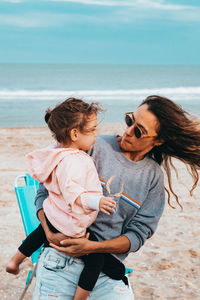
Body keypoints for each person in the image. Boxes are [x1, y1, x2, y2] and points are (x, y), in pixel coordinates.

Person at [26, 95, 200, 299]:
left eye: (138, 131)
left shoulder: (152, 179)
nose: (127, 131)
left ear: (159, 140)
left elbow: (138, 234)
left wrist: (93, 247)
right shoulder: (91, 146)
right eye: (130, 120)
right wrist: (48, 231)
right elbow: (44, 191)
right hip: (60, 258)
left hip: (105, 271)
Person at [6, 98, 128, 300]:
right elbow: (73, 193)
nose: (96, 134)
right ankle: (79, 298)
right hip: (69, 222)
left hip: (55, 216)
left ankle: (15, 260)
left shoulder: (57, 153)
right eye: (92, 129)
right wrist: (97, 202)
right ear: (74, 134)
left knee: (41, 233)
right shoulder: (73, 161)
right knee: (96, 259)